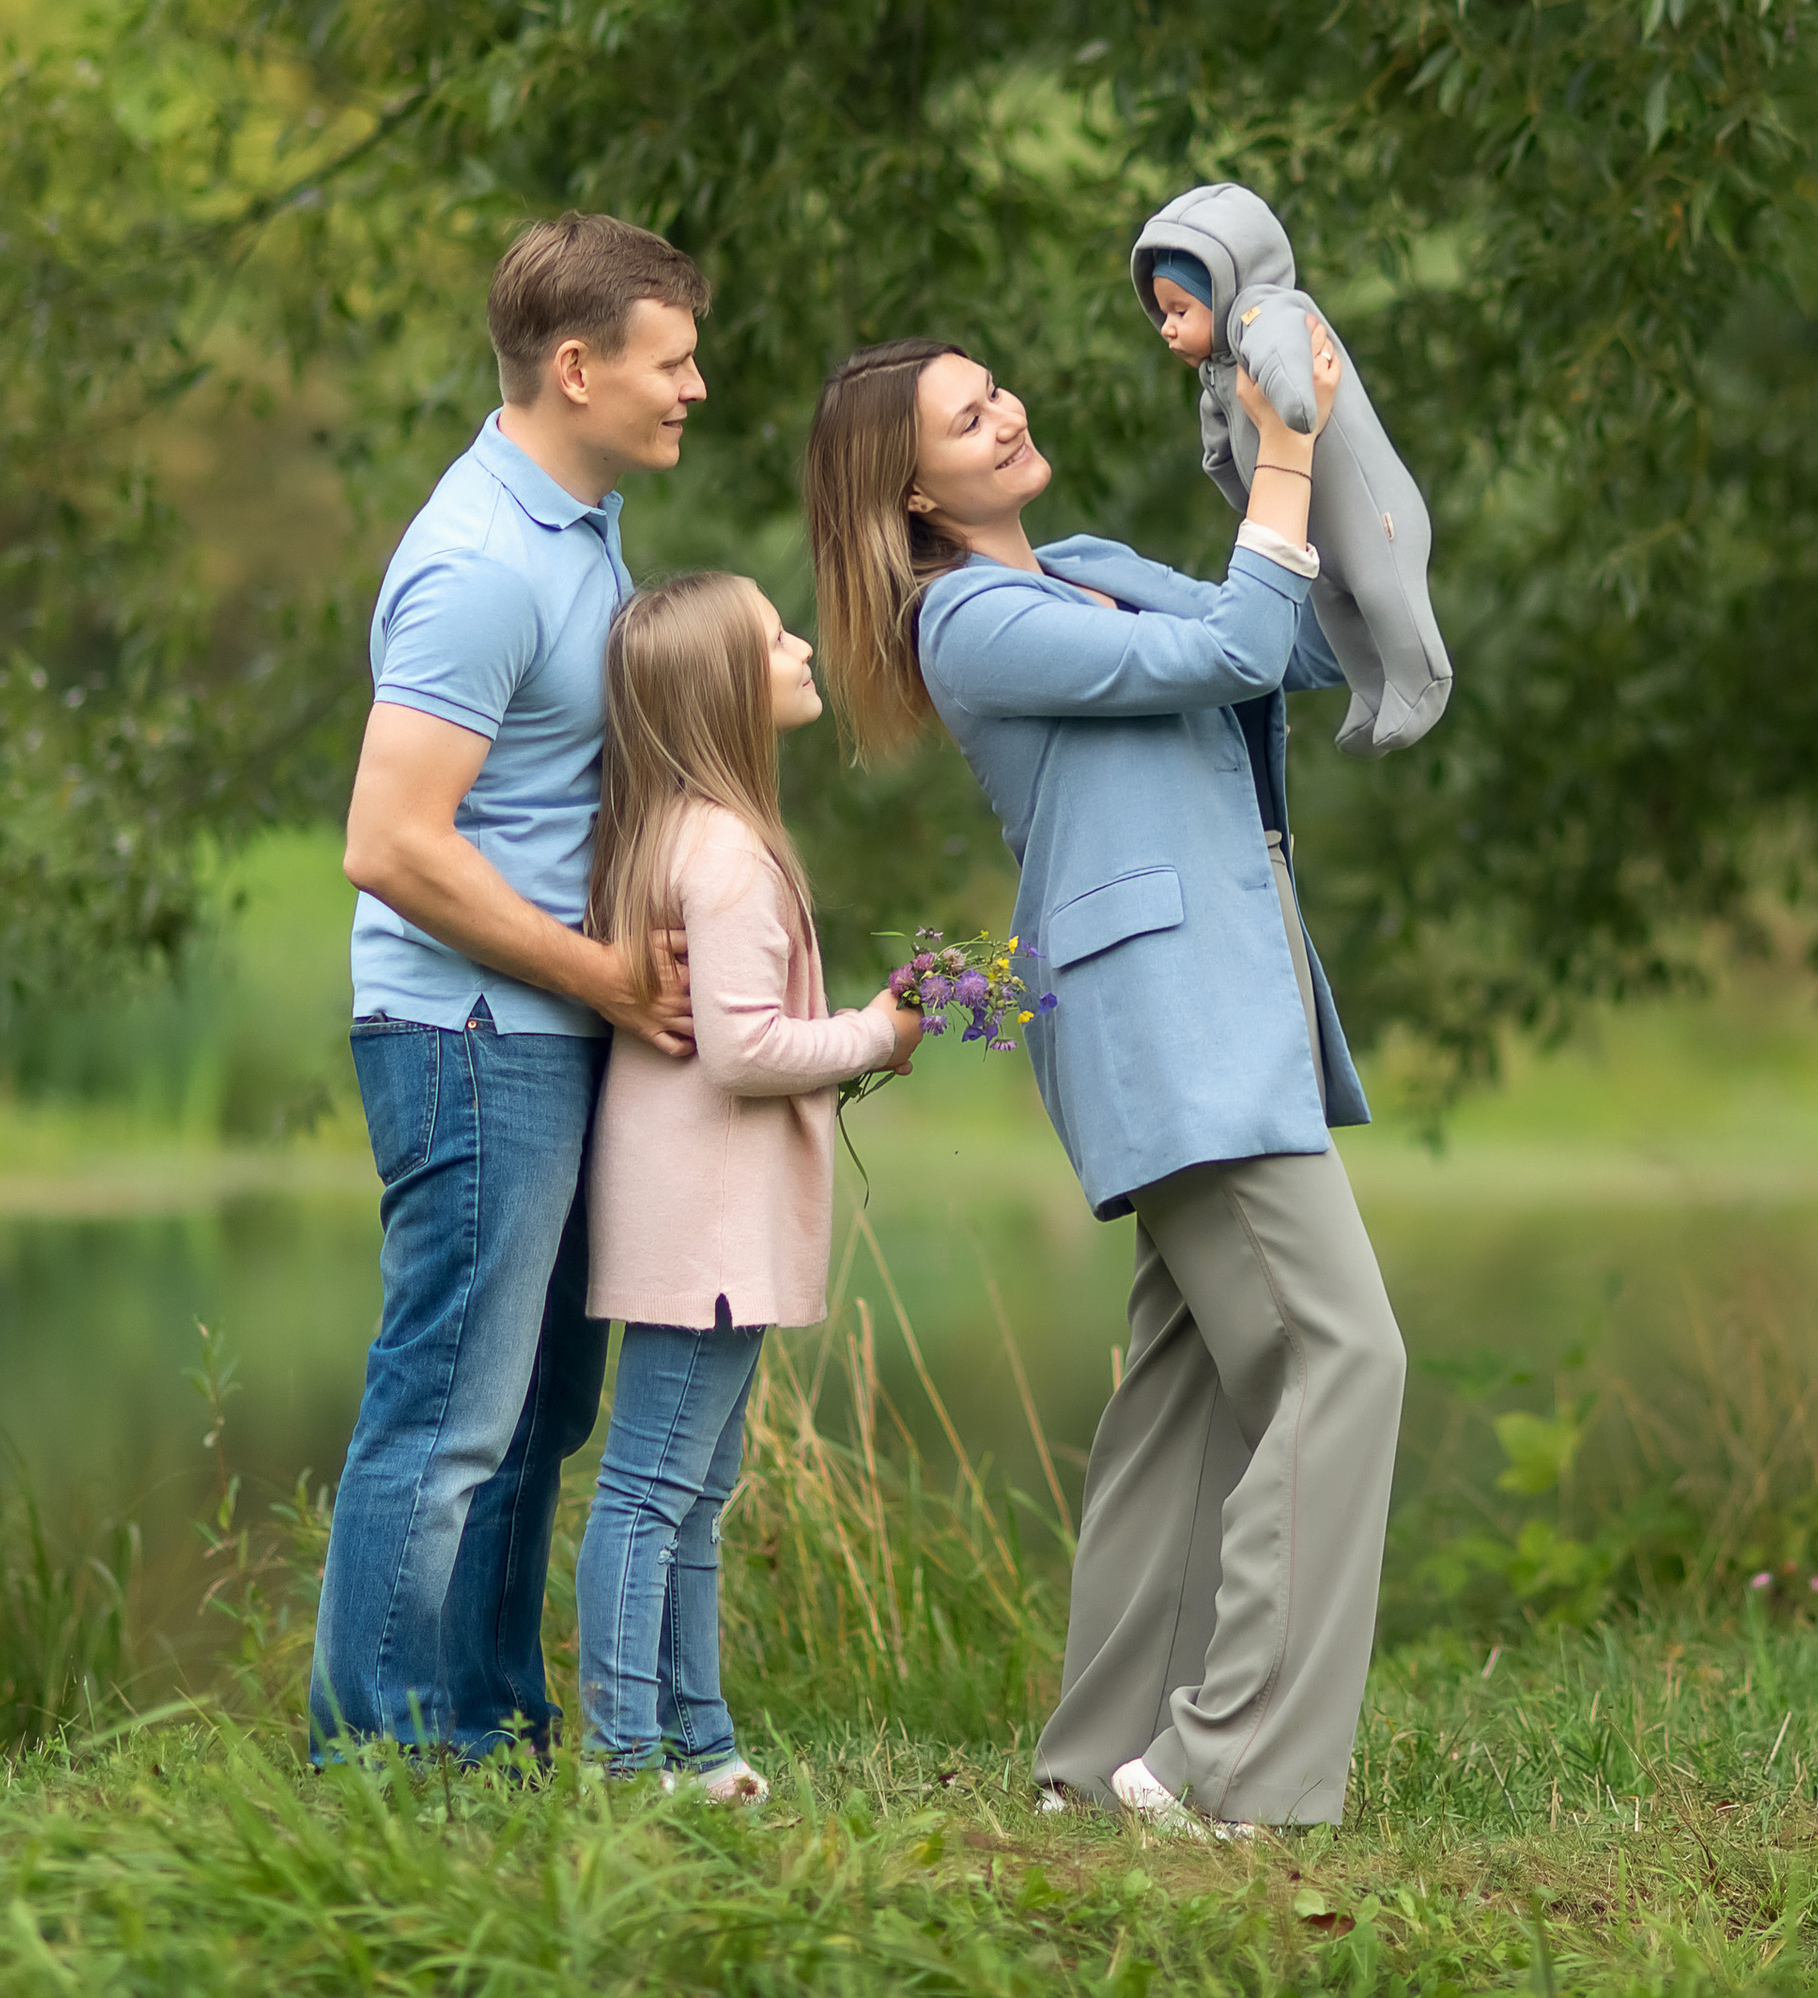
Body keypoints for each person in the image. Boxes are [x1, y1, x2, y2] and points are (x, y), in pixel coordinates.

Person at [804, 329, 1407, 1836]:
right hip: (1169, 1019)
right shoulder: (971, 620)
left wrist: (1294, 434)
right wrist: (1277, 457)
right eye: (963, 417)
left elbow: (1301, 643)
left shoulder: (1080, 559)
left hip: (1216, 997)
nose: (1004, 412)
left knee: (1191, 1395)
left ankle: (1099, 1761)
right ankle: (1221, 1768)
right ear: (914, 495)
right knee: (1343, 1359)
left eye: (996, 387)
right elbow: (1223, 653)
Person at [314, 213, 709, 1763]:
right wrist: (603, 975)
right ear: (575, 366)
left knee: (539, 1419)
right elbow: (388, 841)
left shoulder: (573, 519)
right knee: (450, 1418)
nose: (693, 389)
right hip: (472, 1036)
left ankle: (486, 1731)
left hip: (542, 1029)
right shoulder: (480, 563)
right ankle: (388, 1765)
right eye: (670, 363)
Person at [574, 572, 922, 1801]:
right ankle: (625, 1760)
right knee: (653, 1493)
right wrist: (875, 1033)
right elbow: (743, 1049)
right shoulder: (722, 854)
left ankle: (701, 1742)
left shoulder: (680, 832)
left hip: (707, 1229)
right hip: (703, 1236)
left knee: (697, 1494)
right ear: (726, 687)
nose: (799, 644)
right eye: (775, 635)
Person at [1132, 180, 1453, 755]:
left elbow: (1291, 374)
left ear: (1225, 285)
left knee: (1382, 591)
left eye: (1180, 310)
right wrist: (1233, 479)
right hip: (1314, 529)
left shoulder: (1266, 314)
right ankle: (1372, 692)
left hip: (1371, 515)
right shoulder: (1221, 369)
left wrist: (1292, 407)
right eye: (1163, 313)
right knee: (1333, 603)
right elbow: (1219, 449)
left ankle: (1422, 679)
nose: (1167, 327)